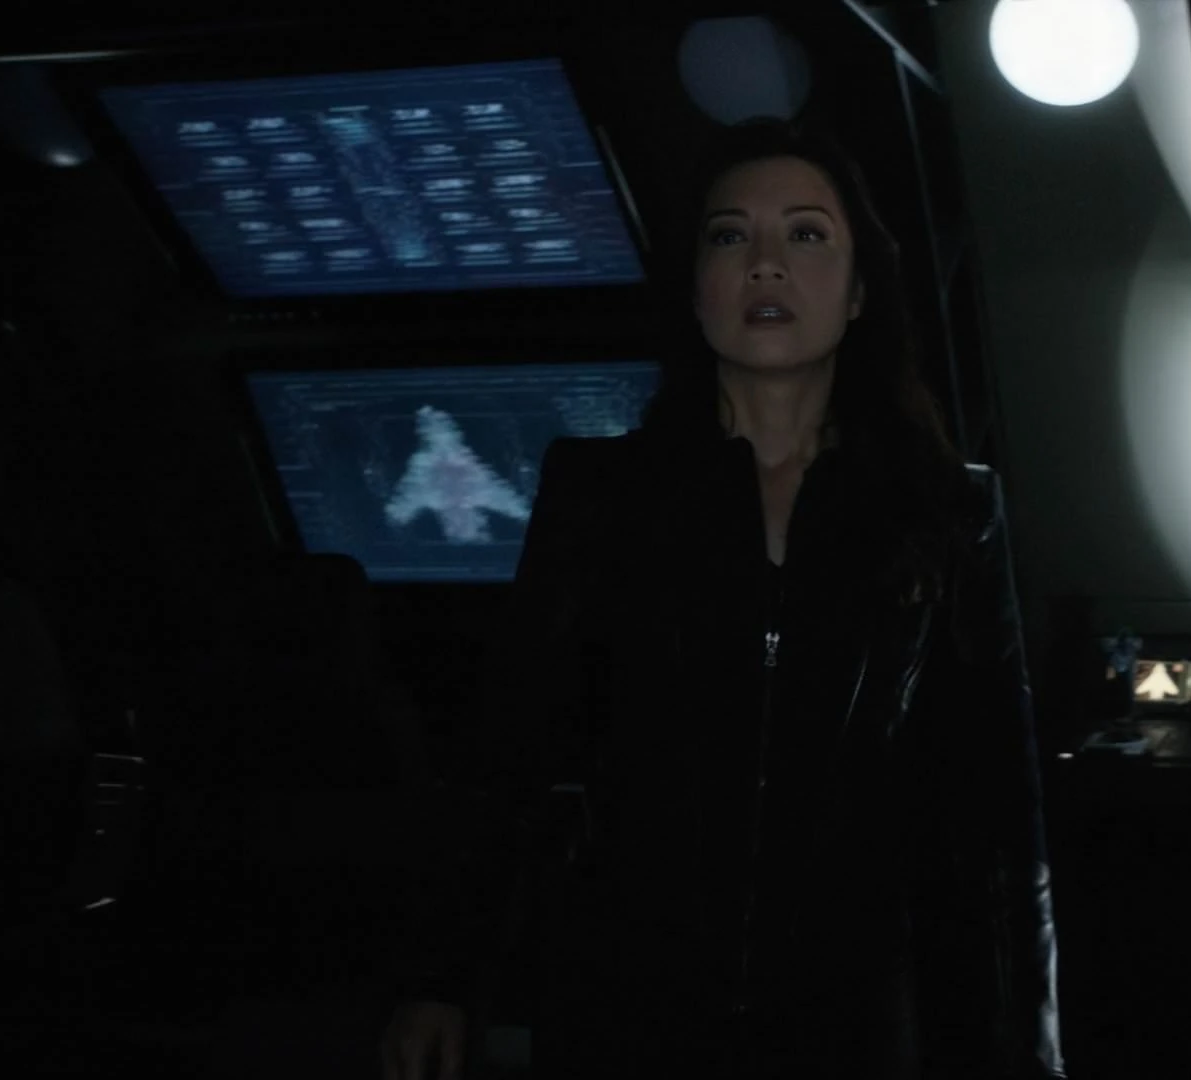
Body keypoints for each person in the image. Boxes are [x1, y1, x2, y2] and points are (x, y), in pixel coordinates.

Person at [380, 119, 1064, 1080]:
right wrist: (441, 979)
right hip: (628, 1009)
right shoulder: (599, 494)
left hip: (859, 1019)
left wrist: (1027, 1052)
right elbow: (509, 758)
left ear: (860, 289)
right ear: (695, 285)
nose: (765, 264)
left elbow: (999, 824)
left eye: (807, 234)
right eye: (730, 235)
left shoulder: (948, 513)